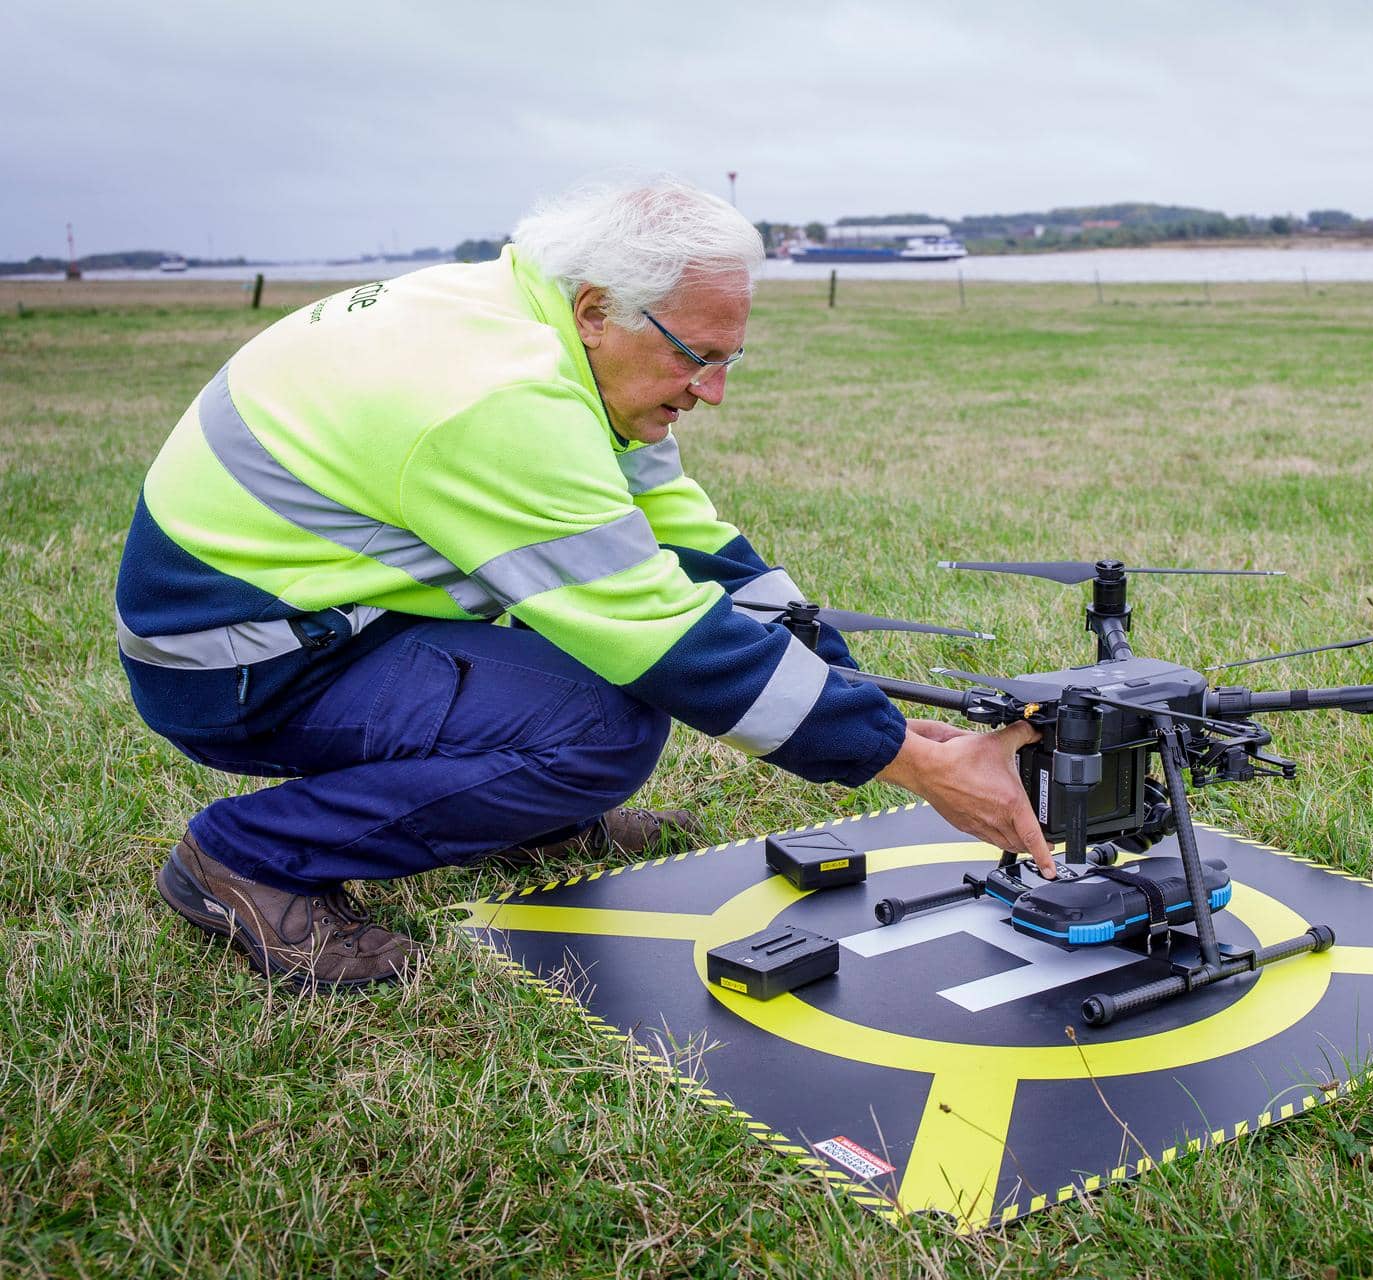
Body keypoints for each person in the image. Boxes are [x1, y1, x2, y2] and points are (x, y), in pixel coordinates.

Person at [117, 177, 1053, 990]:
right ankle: (248, 856)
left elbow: (691, 549)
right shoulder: (500, 396)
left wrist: (858, 694)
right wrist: (910, 761)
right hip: (239, 665)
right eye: (698, 355)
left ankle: (519, 812)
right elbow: (661, 631)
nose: (713, 389)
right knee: (603, 727)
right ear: (598, 308)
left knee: (586, 683)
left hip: (323, 616)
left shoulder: (546, 336)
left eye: (731, 357)